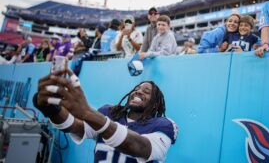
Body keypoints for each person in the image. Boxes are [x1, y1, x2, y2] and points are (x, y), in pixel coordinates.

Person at [33, 69, 178, 162]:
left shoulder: (164, 125)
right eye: (136, 89)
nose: (138, 92)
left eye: (146, 91)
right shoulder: (109, 113)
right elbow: (74, 126)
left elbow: (140, 147)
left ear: (155, 103)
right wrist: (51, 108)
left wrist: (88, 113)